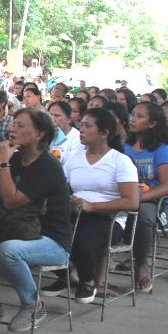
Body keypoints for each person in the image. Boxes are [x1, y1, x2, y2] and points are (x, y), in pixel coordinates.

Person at [0, 107, 73, 332]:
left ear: (40, 134)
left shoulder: (47, 165)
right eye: (13, 123)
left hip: (50, 240)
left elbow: (12, 200)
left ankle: (34, 305)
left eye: (20, 125)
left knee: (6, 252)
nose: (12, 129)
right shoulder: (17, 157)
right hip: (12, 229)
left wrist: (3, 162)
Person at [50, 108, 140, 303]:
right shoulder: (75, 159)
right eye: (81, 125)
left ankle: (87, 281)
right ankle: (66, 275)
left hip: (109, 218)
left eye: (87, 126)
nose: (81, 130)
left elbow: (132, 201)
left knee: (82, 240)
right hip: (77, 212)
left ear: (104, 133)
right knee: (44, 231)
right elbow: (62, 187)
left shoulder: (121, 161)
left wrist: (93, 206)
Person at [123, 101, 168, 293]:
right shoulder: (124, 147)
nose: (133, 119)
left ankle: (141, 265)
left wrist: (139, 198)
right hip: (128, 197)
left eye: (140, 116)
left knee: (143, 216)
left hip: (157, 201)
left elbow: (167, 186)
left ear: (153, 123)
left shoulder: (162, 149)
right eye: (133, 114)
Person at [48, 100, 81, 164]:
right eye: (49, 115)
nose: (52, 119)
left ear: (68, 119)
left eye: (57, 115)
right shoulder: (45, 134)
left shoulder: (77, 138)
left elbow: (71, 164)